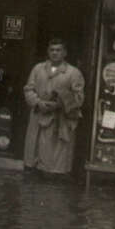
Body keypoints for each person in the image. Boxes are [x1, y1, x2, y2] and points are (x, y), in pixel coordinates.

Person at [22, 38, 85, 175]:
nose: (55, 53)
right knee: (34, 157)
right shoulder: (38, 69)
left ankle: (53, 184)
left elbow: (79, 98)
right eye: (52, 50)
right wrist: (38, 102)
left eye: (58, 50)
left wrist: (60, 104)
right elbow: (28, 89)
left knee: (54, 164)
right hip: (39, 115)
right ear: (47, 51)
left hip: (58, 120)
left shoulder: (73, 73)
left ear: (65, 53)